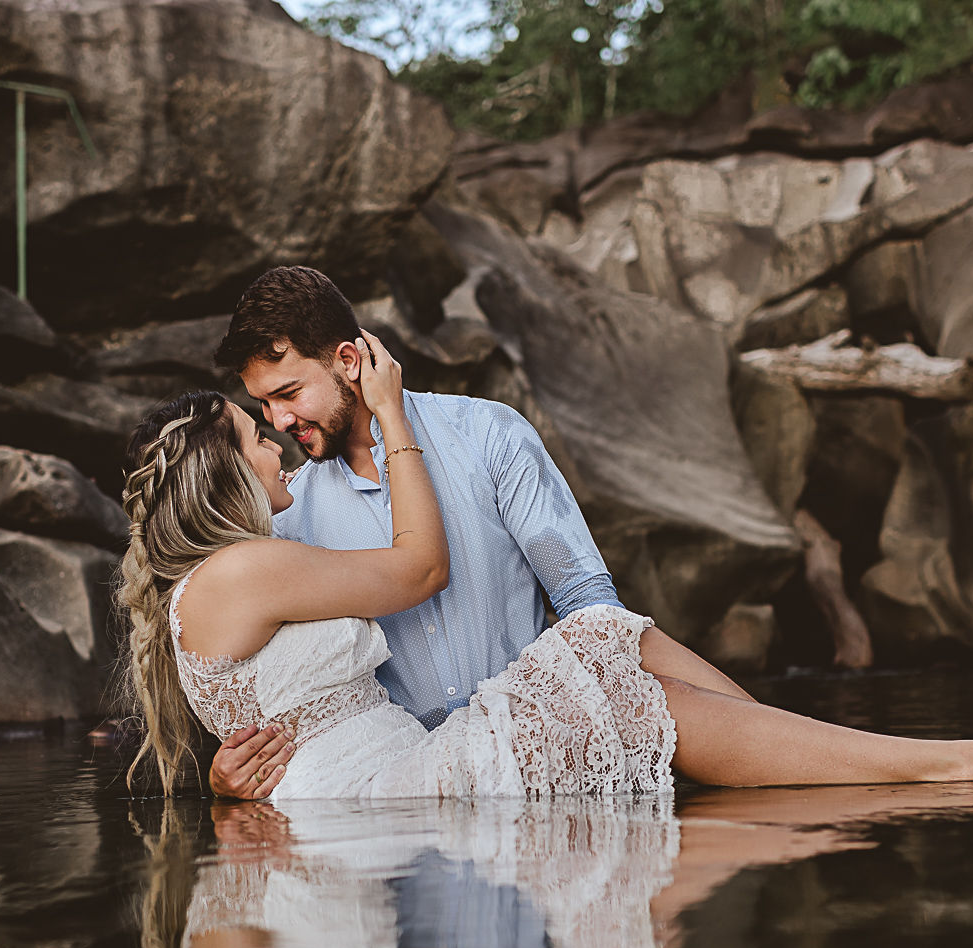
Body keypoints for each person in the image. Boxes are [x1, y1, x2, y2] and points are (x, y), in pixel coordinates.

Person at [111, 328, 973, 798]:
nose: (277, 440)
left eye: (281, 405)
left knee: (603, 635)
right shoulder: (253, 564)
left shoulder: (254, 561)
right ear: (220, 479)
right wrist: (393, 414)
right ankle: (959, 765)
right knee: (629, 684)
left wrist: (235, 782)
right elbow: (418, 572)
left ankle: (851, 758)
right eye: (257, 430)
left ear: (338, 354)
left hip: (404, 770)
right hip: (401, 787)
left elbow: (254, 697)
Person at [203, 265, 763, 801]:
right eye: (264, 404)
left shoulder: (489, 434)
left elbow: (588, 607)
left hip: (551, 761)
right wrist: (225, 777)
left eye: (288, 393)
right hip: (413, 800)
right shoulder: (288, 517)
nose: (277, 420)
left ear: (348, 360)